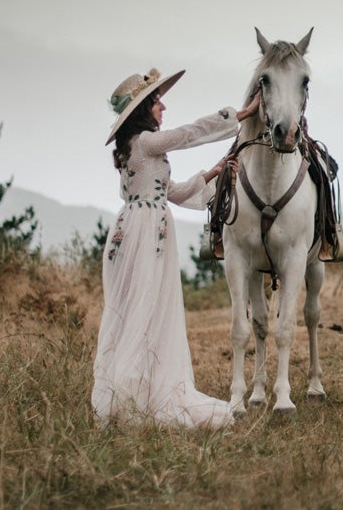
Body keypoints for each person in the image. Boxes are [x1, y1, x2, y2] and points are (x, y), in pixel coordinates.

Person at [92, 67, 260, 428]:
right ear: (141, 111)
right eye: (156, 101)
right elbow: (188, 134)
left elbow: (172, 194)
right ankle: (134, 396)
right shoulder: (147, 142)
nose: (163, 106)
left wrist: (213, 173)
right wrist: (238, 115)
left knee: (141, 308)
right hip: (147, 231)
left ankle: (136, 390)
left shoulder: (134, 150)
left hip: (137, 226)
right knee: (145, 306)